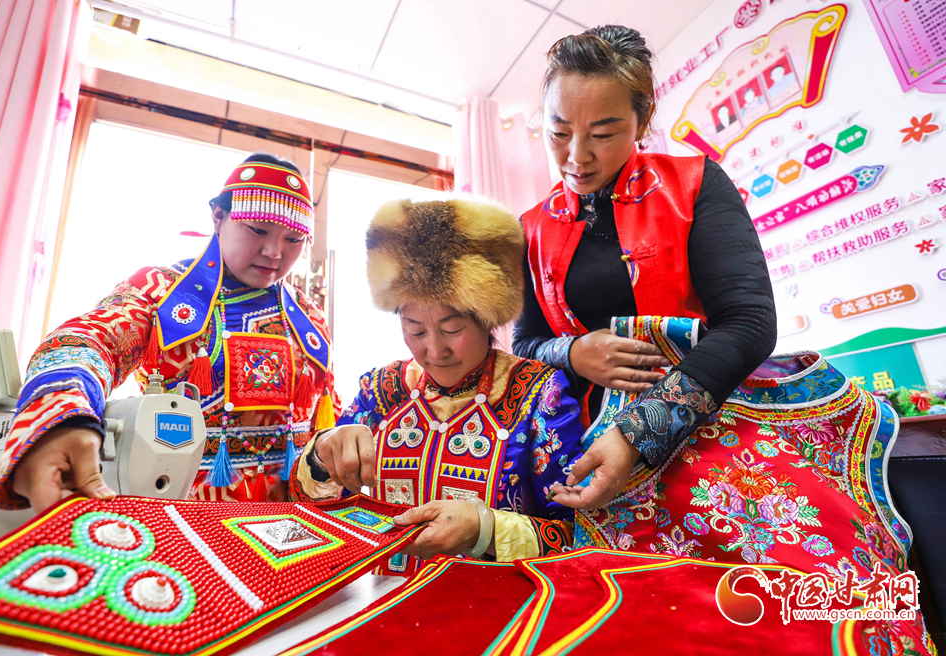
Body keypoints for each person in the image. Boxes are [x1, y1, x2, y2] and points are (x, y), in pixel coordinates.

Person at [512, 25, 778, 511]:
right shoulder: (531, 227)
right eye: (559, 132)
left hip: (706, 429)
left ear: (643, 119)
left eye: (603, 134)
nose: (577, 157)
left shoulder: (694, 184)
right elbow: (525, 343)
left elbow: (750, 322)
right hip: (581, 444)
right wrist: (573, 352)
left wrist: (638, 431)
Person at [0, 154, 338, 512]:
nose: (274, 252)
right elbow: (88, 340)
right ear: (219, 217)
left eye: (294, 238)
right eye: (258, 230)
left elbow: (327, 423)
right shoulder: (160, 290)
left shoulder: (310, 318)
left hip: (287, 520)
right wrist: (65, 412)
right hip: (176, 510)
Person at [289, 197, 584, 569]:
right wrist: (322, 453)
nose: (433, 350)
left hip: (495, 602)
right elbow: (313, 507)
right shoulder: (382, 390)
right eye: (414, 330)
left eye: (452, 329)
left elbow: (578, 532)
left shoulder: (538, 394)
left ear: (488, 318)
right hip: (383, 595)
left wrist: (485, 529)